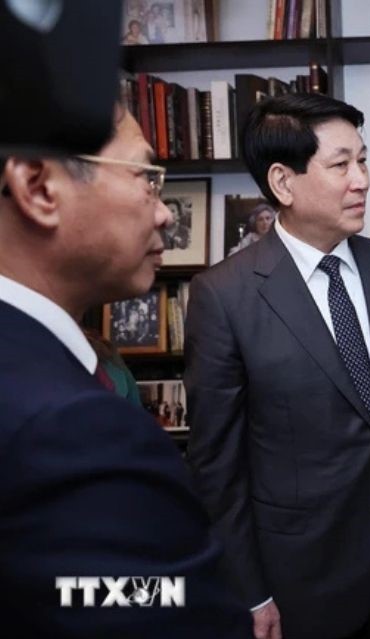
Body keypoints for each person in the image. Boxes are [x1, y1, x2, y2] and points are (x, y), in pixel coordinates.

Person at [184, 92, 370, 639]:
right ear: (283, 183)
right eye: (341, 165)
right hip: (301, 575)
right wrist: (249, 589)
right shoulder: (224, 296)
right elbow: (217, 465)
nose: (361, 179)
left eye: (362, 160)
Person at [0, 103, 251, 637]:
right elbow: (161, 607)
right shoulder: (72, 428)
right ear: (40, 188)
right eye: (147, 178)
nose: (164, 214)